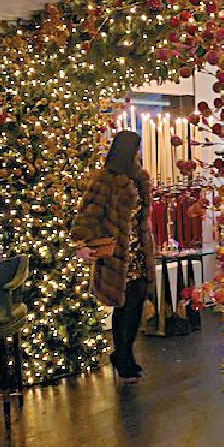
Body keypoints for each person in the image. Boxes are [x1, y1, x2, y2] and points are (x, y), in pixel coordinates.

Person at [72, 131, 156, 382]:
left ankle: (124, 353)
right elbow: (88, 214)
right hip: (117, 253)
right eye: (136, 149)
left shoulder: (139, 178)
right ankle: (123, 356)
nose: (139, 154)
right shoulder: (105, 180)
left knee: (136, 304)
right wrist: (83, 242)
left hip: (138, 251)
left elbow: (140, 218)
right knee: (124, 305)